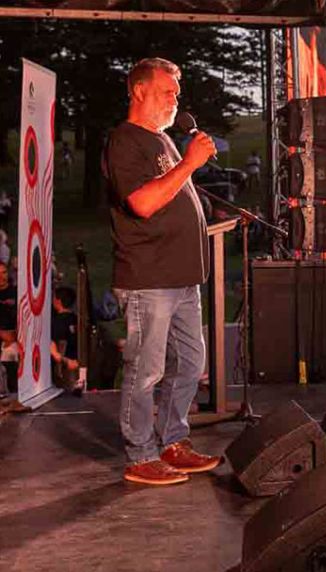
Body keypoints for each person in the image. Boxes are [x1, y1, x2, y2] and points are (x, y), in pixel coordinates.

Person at [104, 58, 220, 486]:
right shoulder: (124, 140)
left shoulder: (164, 140)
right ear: (139, 91)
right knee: (146, 370)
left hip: (182, 277)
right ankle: (140, 455)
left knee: (190, 363)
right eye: (167, 91)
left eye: (176, 93)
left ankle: (172, 441)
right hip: (148, 278)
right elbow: (142, 203)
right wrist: (189, 163)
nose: (175, 100)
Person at [51, 286, 81, 394]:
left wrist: (64, 361)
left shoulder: (56, 322)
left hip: (63, 369)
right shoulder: (77, 320)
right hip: (78, 364)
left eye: (53, 297)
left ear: (58, 301)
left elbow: (56, 347)